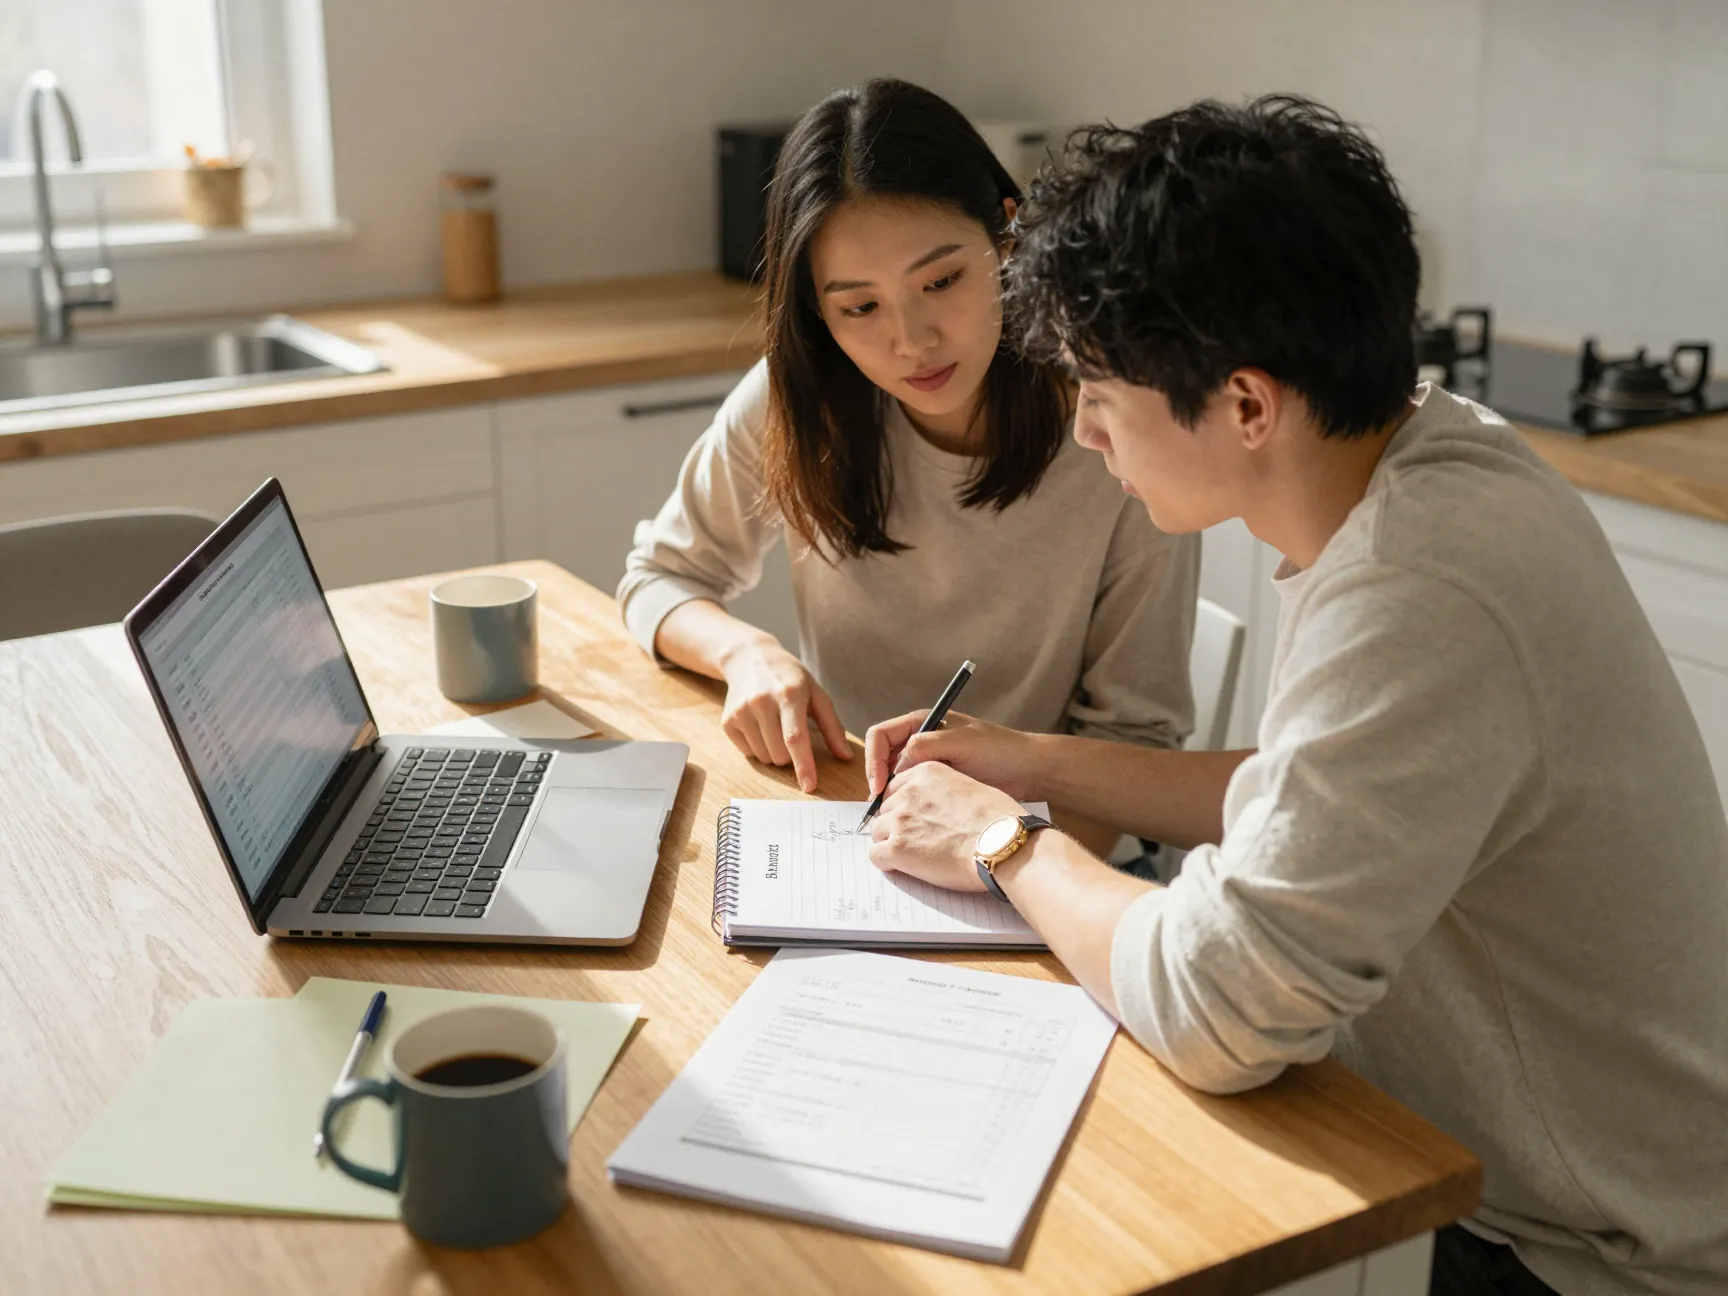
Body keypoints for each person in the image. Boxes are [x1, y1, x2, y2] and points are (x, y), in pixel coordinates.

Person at [863, 96, 1728, 1296]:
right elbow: (1308, 800)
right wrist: (1034, 762)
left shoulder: (1423, 586)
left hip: (1607, 1253)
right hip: (1533, 1185)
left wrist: (1003, 841)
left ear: (1247, 405)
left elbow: (1220, 1005)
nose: (1085, 433)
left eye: (1103, 395)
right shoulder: (1423, 459)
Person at [618, 79, 1198, 852]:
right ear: (816, 312)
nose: (913, 341)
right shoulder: (800, 403)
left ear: (1007, 236)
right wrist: (746, 653)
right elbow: (657, 579)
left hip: (1049, 853)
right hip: (854, 830)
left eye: (942, 281)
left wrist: (998, 866)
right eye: (860, 307)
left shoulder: (1117, 427)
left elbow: (1136, 751)